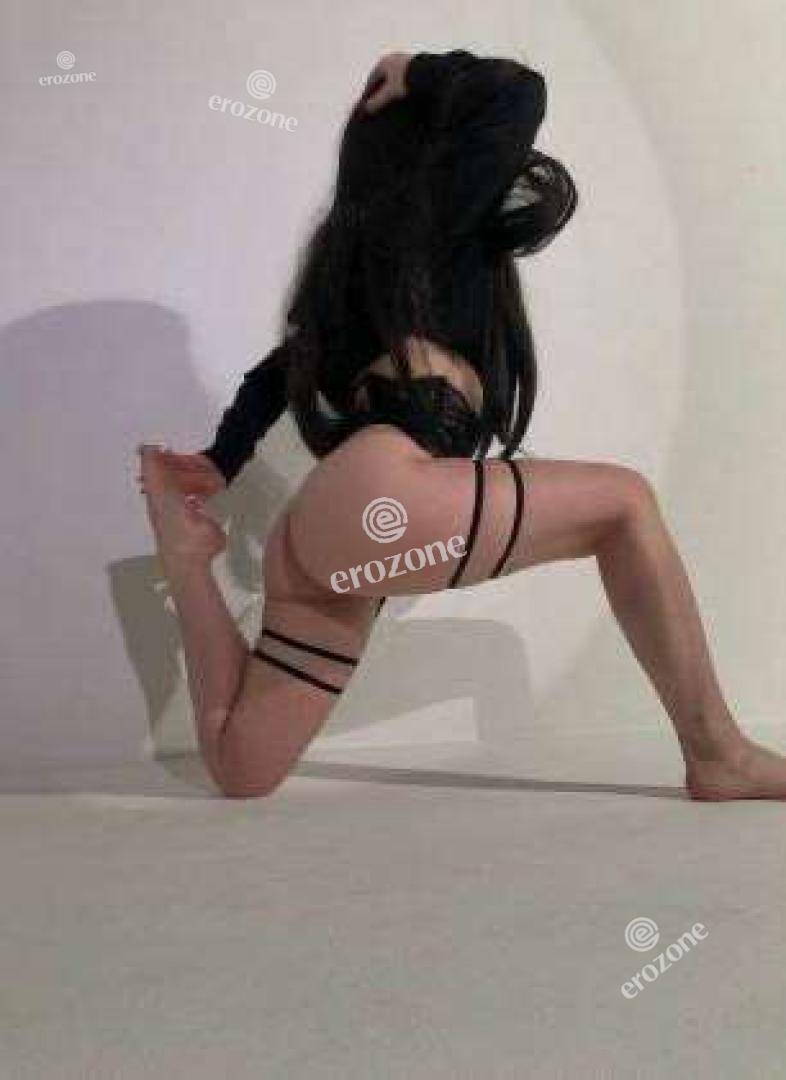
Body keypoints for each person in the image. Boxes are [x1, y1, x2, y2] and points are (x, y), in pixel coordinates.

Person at [139, 48, 786, 801]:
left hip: (319, 531)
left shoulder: (362, 259)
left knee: (241, 766)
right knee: (626, 503)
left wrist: (221, 459)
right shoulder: (431, 210)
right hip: (378, 499)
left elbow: (277, 370)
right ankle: (718, 753)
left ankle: (185, 559)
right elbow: (518, 92)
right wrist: (413, 68)